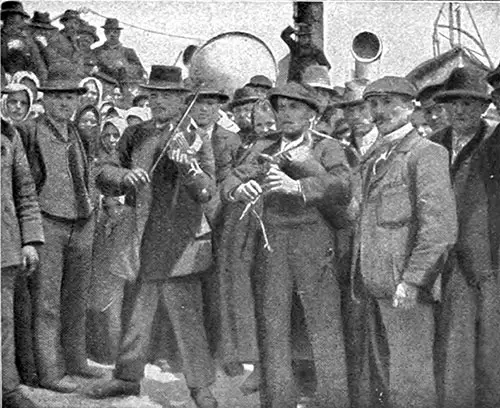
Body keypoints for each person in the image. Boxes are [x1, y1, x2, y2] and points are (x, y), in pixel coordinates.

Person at [88, 66, 219, 408]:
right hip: (143, 237)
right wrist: (125, 176)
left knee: (186, 316)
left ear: (181, 101)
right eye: (155, 95)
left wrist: (188, 166)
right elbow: (102, 171)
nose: (160, 102)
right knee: (137, 313)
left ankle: (201, 389)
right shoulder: (134, 134)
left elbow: (207, 191)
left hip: (181, 242)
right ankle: (127, 379)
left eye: (168, 96)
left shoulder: (196, 138)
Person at [222, 82, 351, 408]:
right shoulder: (263, 145)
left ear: (311, 114)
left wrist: (299, 185)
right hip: (272, 247)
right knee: (272, 328)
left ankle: (334, 402)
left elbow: (343, 186)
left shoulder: (326, 147)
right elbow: (230, 179)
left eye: (294, 108)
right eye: (281, 108)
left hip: (314, 246)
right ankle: (277, 401)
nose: (286, 115)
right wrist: (240, 190)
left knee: (324, 329)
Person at [350, 76, 457, 408]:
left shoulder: (425, 154)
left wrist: (412, 281)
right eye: (373, 104)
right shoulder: (376, 156)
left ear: (411, 107)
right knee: (388, 377)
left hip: (404, 290)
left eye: (388, 103)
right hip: (374, 284)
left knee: (412, 379)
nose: (379, 111)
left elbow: (439, 228)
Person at [16, 72, 103, 393]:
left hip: (81, 222)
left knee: (77, 298)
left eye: (70, 97)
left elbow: (86, 173)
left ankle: (76, 360)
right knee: (47, 302)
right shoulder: (28, 131)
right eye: (58, 97)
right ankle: (50, 372)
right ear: (44, 99)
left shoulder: (77, 132)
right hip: (47, 222)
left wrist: (91, 206)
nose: (65, 103)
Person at [430, 66, 500, 408]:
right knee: (444, 343)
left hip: (482, 259)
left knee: (482, 346)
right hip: (437, 256)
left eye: (470, 104)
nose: (461, 110)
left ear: (484, 107)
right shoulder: (432, 144)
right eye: (454, 102)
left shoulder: (493, 142)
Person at [2, 103, 45, 408]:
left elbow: (25, 191)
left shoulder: (8, 135)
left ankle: (6, 388)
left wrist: (29, 240)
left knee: (3, 321)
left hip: (2, 244)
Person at [1, 1, 48, 82]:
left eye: (19, 17)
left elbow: (38, 62)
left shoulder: (28, 39)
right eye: (11, 16)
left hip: (28, 82)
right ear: (5, 18)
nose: (15, 20)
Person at [94, 18, 146, 86]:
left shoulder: (129, 52)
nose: (111, 34)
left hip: (125, 87)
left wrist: (124, 66)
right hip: (103, 86)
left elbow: (140, 72)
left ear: (119, 33)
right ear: (104, 33)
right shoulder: (97, 51)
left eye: (115, 32)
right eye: (108, 32)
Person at [45, 10, 85, 79]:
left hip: (75, 80)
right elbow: (52, 62)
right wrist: (73, 68)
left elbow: (80, 63)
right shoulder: (55, 38)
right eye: (69, 22)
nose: (72, 26)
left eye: (76, 23)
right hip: (58, 79)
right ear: (64, 23)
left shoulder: (78, 42)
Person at [229, 87, 260, 151]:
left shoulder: (268, 137)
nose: (242, 115)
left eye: (247, 109)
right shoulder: (230, 140)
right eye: (238, 110)